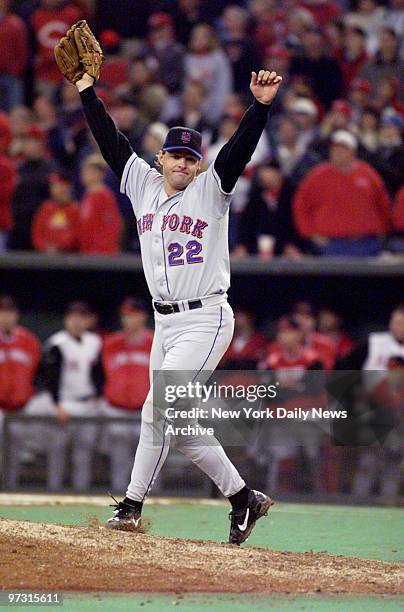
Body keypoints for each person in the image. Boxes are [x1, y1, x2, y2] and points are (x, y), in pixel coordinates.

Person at [66, 26, 282, 544]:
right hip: (165, 322)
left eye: (191, 156)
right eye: (175, 155)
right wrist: (85, 91)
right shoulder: (141, 183)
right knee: (179, 428)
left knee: (157, 408)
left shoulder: (212, 190)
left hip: (206, 317)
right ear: (161, 158)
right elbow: (111, 142)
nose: (183, 162)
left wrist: (260, 109)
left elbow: (237, 153)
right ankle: (242, 498)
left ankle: (130, 507)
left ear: (198, 163)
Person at [293, 130, 391, 256]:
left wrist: (382, 231)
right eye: (334, 148)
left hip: (367, 242)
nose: (338, 152)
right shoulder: (316, 176)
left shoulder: (368, 174)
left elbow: (383, 204)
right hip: (331, 244)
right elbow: (300, 206)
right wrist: (310, 233)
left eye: (343, 148)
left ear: (353, 151)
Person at [41, 301, 103, 491]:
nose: (77, 321)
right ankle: (53, 493)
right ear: (66, 320)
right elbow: (48, 377)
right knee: (57, 452)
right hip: (64, 403)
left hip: (87, 403)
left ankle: (81, 496)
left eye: (81, 317)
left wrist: (98, 395)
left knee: (83, 454)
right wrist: (56, 404)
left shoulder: (95, 342)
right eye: (73, 317)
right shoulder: (56, 342)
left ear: (87, 320)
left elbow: (100, 372)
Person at [100, 297, 153, 492]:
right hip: (117, 410)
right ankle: (121, 503)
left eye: (132, 315)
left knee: (151, 462)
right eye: (124, 316)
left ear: (143, 317)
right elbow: (99, 374)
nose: (127, 320)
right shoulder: (110, 343)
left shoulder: (155, 341)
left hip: (147, 410)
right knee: (119, 461)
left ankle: (157, 502)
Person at [78, 154, 122, 255]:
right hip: (86, 251)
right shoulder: (87, 195)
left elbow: (111, 227)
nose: (85, 174)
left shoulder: (104, 196)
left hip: (100, 253)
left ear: (100, 174)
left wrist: (101, 251)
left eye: (90, 171)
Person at [31, 171, 80, 253]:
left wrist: (59, 247)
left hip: (69, 258)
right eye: (54, 186)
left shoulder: (76, 209)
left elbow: (77, 234)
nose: (58, 190)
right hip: (46, 257)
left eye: (60, 186)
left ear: (68, 187)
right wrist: (46, 247)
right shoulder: (45, 208)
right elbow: (37, 234)